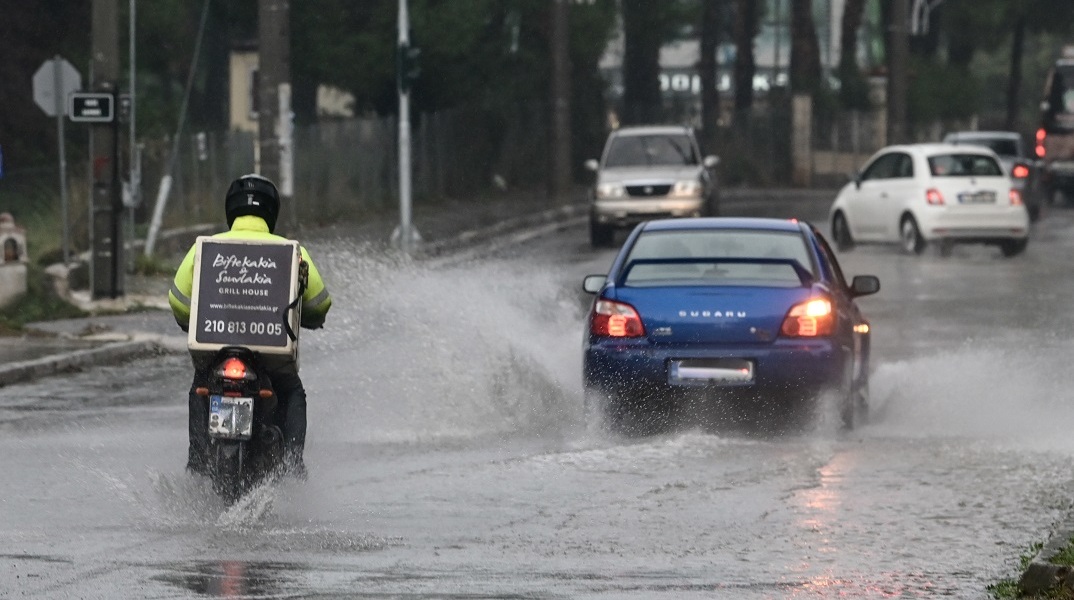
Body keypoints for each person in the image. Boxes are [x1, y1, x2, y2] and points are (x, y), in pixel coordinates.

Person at [168, 174, 332, 478]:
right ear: (272, 212)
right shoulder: (292, 251)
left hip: (216, 350)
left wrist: (188, 320)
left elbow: (178, 299)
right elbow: (319, 304)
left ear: (231, 210)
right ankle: (293, 464)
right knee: (292, 390)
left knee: (200, 386)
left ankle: (197, 458)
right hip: (271, 355)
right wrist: (310, 319)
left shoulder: (205, 247)